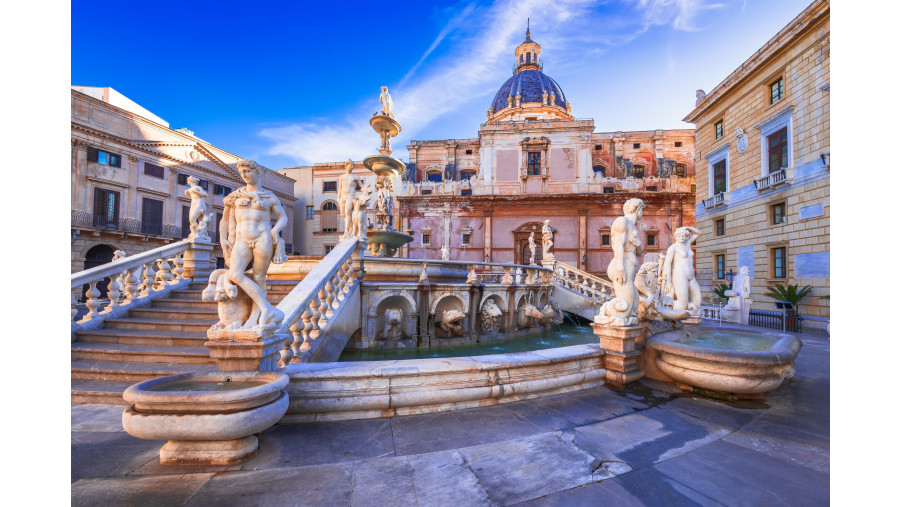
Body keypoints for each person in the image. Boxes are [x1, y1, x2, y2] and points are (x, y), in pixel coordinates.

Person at [219, 159, 288, 331]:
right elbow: (225, 220)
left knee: (259, 278)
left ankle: (254, 318)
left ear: (258, 173)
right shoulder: (235, 196)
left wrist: (275, 231)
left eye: (248, 171)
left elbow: (283, 218)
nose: (244, 175)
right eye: (242, 172)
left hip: (262, 238)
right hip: (241, 239)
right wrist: (223, 238)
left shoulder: (270, 197)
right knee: (235, 274)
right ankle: (266, 308)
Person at [607, 198, 645, 320]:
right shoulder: (622, 221)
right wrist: (620, 269)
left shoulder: (633, 226)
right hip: (622, 266)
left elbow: (639, 252)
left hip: (630, 267)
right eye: (642, 209)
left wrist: (638, 243)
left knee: (633, 309)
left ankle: (630, 336)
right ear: (637, 209)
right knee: (625, 310)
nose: (642, 212)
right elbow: (618, 245)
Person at [663, 226, 702, 311]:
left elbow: (698, 232)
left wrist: (687, 227)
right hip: (680, 275)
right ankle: (666, 306)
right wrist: (668, 281)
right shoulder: (673, 248)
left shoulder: (688, 244)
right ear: (675, 237)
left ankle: (687, 312)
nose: (681, 238)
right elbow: (667, 264)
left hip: (691, 276)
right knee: (682, 305)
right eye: (679, 236)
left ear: (686, 236)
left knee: (697, 303)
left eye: (683, 236)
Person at [337, 159, 365, 239]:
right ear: (346, 165)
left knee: (347, 212)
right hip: (343, 196)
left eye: (353, 166)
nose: (352, 167)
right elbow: (340, 188)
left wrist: (364, 193)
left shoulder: (356, 177)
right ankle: (351, 228)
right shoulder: (341, 177)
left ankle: (346, 231)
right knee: (343, 214)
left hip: (351, 195)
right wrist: (338, 198)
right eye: (351, 165)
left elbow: (362, 187)